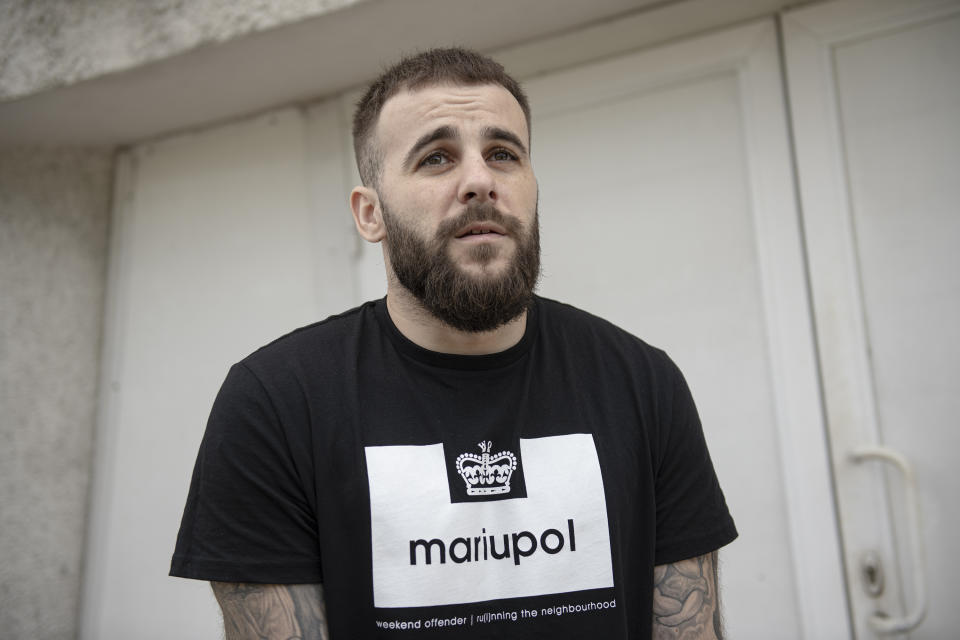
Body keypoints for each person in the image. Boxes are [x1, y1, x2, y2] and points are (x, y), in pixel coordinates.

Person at [170, 47, 737, 640]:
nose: (480, 181)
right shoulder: (276, 403)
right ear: (371, 213)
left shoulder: (641, 383)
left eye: (503, 154)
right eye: (437, 158)